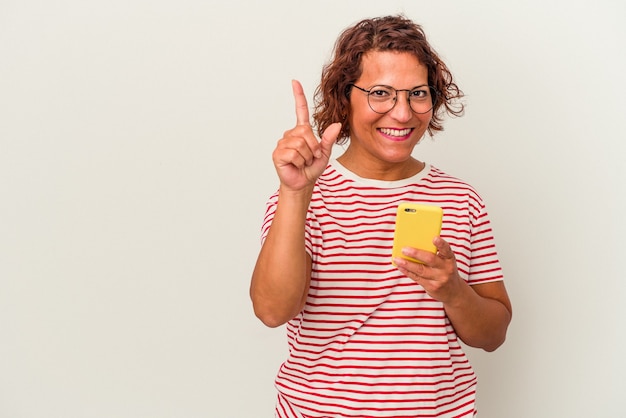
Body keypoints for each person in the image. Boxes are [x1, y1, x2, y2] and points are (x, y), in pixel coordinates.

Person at [250, 14, 512, 418]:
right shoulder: (301, 197)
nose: (403, 113)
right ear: (344, 96)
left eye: (417, 94)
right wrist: (295, 193)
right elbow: (272, 310)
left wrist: (453, 291)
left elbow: (493, 335)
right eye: (381, 93)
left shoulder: (461, 200)